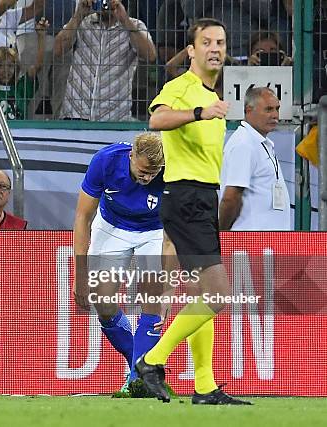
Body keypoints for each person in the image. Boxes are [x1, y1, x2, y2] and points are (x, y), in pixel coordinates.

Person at [134, 18, 251, 405]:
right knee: (218, 295)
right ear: (191, 50)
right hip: (185, 198)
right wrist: (199, 112)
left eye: (220, 41)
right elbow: (156, 119)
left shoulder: (210, 92)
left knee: (203, 294)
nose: (215, 48)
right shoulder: (182, 88)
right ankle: (152, 360)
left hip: (201, 199)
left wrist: (207, 108)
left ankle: (205, 387)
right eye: (206, 42)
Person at [73, 133, 166, 395]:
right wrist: (81, 275)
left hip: (156, 231)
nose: (148, 178)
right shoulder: (105, 161)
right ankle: (138, 362)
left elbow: (178, 226)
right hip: (112, 227)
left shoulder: (172, 170)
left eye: (153, 173)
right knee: (102, 302)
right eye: (143, 171)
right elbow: (82, 217)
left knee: (154, 300)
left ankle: (139, 379)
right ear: (131, 156)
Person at [54, 0, 156, 121]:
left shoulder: (134, 25)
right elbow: (58, 50)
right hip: (75, 113)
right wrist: (78, 16)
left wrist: (125, 21)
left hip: (114, 116)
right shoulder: (83, 22)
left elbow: (150, 56)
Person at [219, 87, 291, 231]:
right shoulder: (244, 144)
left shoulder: (258, 142)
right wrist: (222, 234)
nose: (275, 115)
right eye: (268, 109)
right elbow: (230, 197)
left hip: (266, 242)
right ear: (248, 110)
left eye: (277, 108)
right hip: (250, 242)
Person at [0, 16, 49, 120]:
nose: (5, 70)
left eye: (10, 66)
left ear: (16, 68)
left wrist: (41, 37)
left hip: (18, 134)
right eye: (0, 65)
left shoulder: (22, 88)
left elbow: (38, 66)